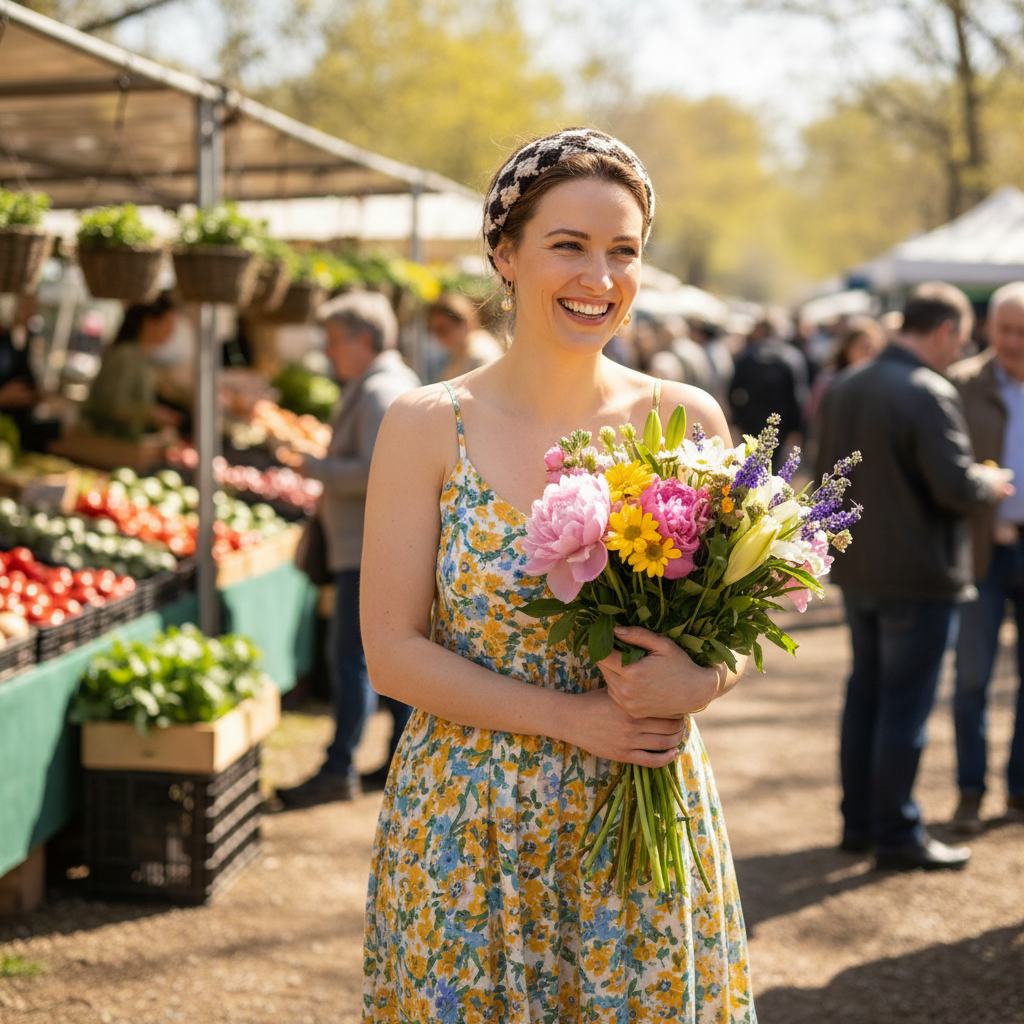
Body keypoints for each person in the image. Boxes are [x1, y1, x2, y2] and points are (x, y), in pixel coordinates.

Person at [359, 130, 755, 1020]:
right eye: (568, 246)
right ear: (505, 254)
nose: (600, 277)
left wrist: (704, 678)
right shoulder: (425, 425)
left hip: (643, 818)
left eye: (624, 251)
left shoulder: (688, 420)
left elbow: (733, 630)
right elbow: (390, 652)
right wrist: (572, 720)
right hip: (468, 824)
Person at [817, 282, 1013, 871]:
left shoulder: (848, 383)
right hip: (919, 575)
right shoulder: (928, 389)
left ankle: (859, 823)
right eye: (962, 339)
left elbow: (830, 473)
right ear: (946, 331)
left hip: (858, 569)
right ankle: (896, 833)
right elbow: (953, 485)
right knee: (902, 707)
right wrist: (991, 482)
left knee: (866, 697)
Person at [277, 291, 421, 806]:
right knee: (378, 657)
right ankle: (399, 761)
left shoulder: (381, 389)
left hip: (366, 546)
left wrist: (314, 467)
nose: (329, 352)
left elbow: (380, 466)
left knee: (352, 659)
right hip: (369, 542)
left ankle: (341, 767)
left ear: (365, 340)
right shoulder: (383, 384)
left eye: (335, 341)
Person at [948, 282, 1024, 831]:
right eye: (1006, 329)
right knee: (972, 677)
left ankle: (1019, 789)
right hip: (980, 552)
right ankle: (971, 791)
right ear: (988, 329)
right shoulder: (959, 385)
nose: (1016, 341)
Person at [81, 292, 182, 440]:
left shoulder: (141, 357)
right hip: (107, 445)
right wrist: (151, 414)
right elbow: (113, 408)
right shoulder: (126, 355)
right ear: (148, 321)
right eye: (168, 324)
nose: (171, 332)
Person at [729, 316, 808, 468]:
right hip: (781, 424)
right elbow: (798, 396)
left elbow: (733, 391)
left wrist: (738, 419)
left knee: (749, 466)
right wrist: (797, 428)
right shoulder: (791, 356)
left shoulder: (747, 355)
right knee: (772, 468)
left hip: (751, 422)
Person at [426, 291, 504, 381]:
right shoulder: (460, 351)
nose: (439, 336)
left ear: (464, 323)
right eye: (434, 331)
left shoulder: (481, 354)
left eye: (443, 329)